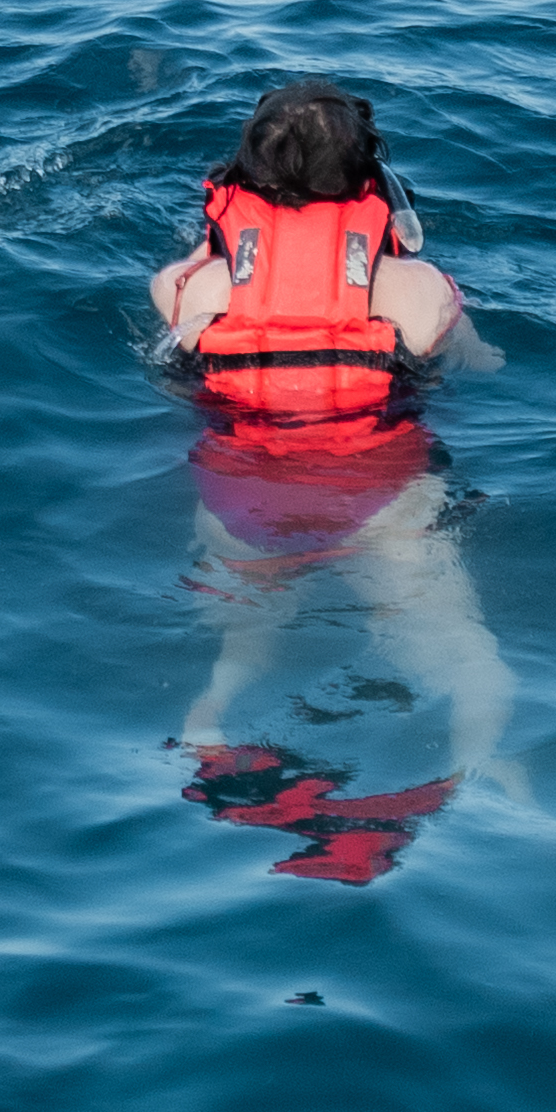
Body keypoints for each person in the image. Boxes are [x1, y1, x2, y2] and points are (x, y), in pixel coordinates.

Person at [146, 80, 516, 879]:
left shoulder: (190, 288)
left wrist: (211, 251)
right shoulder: (418, 290)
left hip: (244, 496)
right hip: (381, 496)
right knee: (465, 655)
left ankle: (210, 721)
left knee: (243, 642)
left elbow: (171, 314)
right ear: (367, 186)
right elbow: (482, 363)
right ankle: (483, 766)